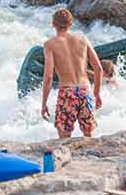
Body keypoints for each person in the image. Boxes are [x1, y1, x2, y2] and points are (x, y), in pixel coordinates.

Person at [40, 7, 103, 138]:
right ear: (71, 23)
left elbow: (49, 77)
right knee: (89, 137)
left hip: (67, 93)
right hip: (85, 91)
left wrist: (44, 103)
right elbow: (98, 69)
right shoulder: (83, 40)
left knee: (64, 138)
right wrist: (96, 93)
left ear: (53, 24)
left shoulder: (50, 45)